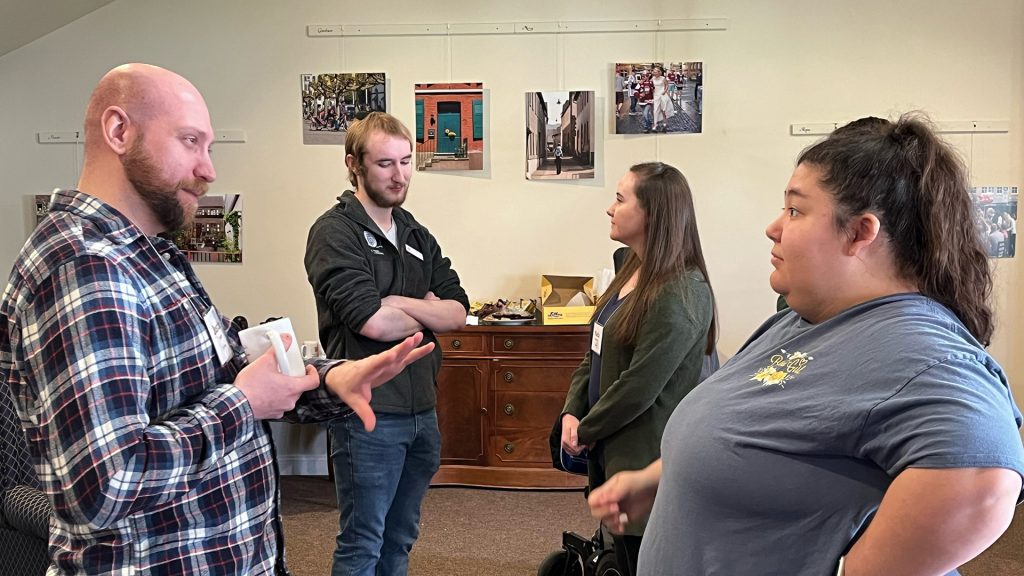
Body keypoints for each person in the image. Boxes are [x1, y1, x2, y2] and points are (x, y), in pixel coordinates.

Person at [0, 63, 435, 575]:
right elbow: (104, 486)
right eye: (190, 141)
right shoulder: (85, 268)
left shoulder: (150, 255)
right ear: (119, 131)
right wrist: (244, 403)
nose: (208, 170)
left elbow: (228, 364)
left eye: (209, 148)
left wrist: (330, 378)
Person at [589, 114, 1024, 575]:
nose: (774, 227)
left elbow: (984, 478)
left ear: (860, 232)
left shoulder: (920, 350)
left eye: (795, 211)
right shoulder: (800, 320)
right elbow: (755, 431)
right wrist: (661, 478)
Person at [304, 111, 469, 576]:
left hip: (422, 413)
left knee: (400, 537)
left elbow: (458, 312)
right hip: (368, 416)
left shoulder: (415, 232)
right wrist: (425, 308)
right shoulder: (334, 233)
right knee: (363, 542)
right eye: (384, 164)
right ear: (353, 164)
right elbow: (372, 322)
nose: (400, 176)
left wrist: (399, 301)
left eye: (406, 161)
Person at [560, 162, 716, 575]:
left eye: (619, 199)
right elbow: (595, 349)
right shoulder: (632, 267)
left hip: (645, 456)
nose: (609, 209)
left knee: (643, 561)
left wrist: (587, 429)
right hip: (611, 446)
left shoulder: (682, 290)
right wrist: (572, 411)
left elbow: (640, 387)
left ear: (652, 213)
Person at [649, 65, 675, 133]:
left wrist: (664, 91)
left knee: (663, 110)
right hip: (655, 96)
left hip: (662, 95)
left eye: (656, 72)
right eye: (654, 72)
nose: (654, 73)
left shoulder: (663, 78)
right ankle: (655, 124)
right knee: (655, 110)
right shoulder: (652, 78)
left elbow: (667, 85)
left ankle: (665, 123)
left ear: (659, 72)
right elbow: (649, 85)